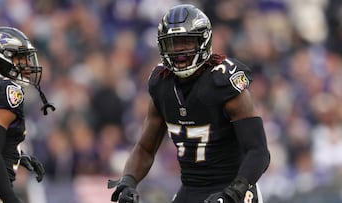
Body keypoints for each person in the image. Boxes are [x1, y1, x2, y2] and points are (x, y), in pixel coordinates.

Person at [108, 4, 270, 203]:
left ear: (204, 41)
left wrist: (234, 193)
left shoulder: (223, 83)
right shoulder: (162, 84)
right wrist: (128, 180)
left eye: (186, 42)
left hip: (232, 188)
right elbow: (145, 148)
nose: (179, 52)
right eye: (173, 44)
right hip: (190, 189)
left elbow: (258, 151)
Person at [0, 26, 54, 203]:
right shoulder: (6, 90)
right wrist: (10, 198)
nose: (28, 64)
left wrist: (16, 155)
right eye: (20, 57)